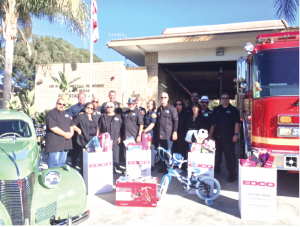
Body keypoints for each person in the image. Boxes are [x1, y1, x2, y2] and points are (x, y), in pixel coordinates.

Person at [209, 92, 240, 182]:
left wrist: (236, 135)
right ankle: (216, 169)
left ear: (229, 99)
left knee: (229, 156)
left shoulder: (234, 110)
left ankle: (232, 174)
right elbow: (213, 124)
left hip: (229, 138)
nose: (224, 100)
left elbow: (237, 123)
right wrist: (210, 136)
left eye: (226, 98)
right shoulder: (216, 109)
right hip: (217, 137)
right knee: (217, 155)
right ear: (220, 100)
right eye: (223, 98)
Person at [45, 98, 74, 168]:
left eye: (63, 105)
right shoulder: (51, 114)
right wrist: (65, 134)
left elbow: (71, 125)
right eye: (60, 104)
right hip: (55, 146)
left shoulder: (67, 114)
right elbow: (52, 127)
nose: (62, 106)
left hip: (65, 145)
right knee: (53, 167)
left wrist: (71, 133)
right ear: (56, 104)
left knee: (62, 166)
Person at [72, 102, 99, 175]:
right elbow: (72, 124)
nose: (89, 109)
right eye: (88, 108)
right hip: (83, 140)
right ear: (85, 108)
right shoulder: (81, 116)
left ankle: (91, 173)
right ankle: (83, 174)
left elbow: (97, 127)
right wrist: (79, 130)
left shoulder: (95, 117)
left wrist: (97, 136)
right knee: (84, 158)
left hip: (93, 140)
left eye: (91, 108)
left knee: (92, 158)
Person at [156, 92, 178, 174]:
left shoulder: (172, 109)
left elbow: (176, 121)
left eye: (165, 97)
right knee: (161, 152)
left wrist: (175, 132)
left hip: (168, 134)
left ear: (168, 99)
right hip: (160, 135)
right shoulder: (159, 109)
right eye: (161, 97)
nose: (163, 99)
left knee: (168, 153)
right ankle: (163, 166)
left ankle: (168, 168)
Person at [98, 102, 123, 174]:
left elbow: (121, 128)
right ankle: (106, 167)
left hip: (115, 137)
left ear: (114, 108)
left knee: (115, 154)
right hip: (105, 138)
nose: (109, 108)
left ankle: (113, 168)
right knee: (106, 153)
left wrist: (119, 136)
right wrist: (99, 137)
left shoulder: (117, 117)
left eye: (111, 107)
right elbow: (99, 127)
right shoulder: (103, 116)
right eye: (108, 107)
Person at [68, 92, 86, 167]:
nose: (80, 98)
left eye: (82, 97)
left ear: (85, 98)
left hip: (85, 130)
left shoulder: (88, 107)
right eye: (79, 97)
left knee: (84, 149)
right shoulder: (73, 108)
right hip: (75, 130)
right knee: (75, 148)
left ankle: (83, 164)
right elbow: (70, 119)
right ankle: (74, 164)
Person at [172, 99, 188, 169]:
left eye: (180, 104)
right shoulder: (173, 113)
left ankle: (183, 166)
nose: (178, 106)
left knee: (182, 151)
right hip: (173, 135)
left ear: (182, 105)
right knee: (175, 150)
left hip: (182, 135)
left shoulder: (185, 114)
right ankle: (176, 164)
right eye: (177, 104)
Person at [142, 99, 157, 170]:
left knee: (150, 149)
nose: (149, 105)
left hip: (150, 133)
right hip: (145, 133)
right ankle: (146, 163)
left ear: (154, 105)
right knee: (145, 149)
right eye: (148, 103)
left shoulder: (153, 114)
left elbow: (152, 124)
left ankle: (151, 165)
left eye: (151, 104)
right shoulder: (147, 113)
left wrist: (144, 130)